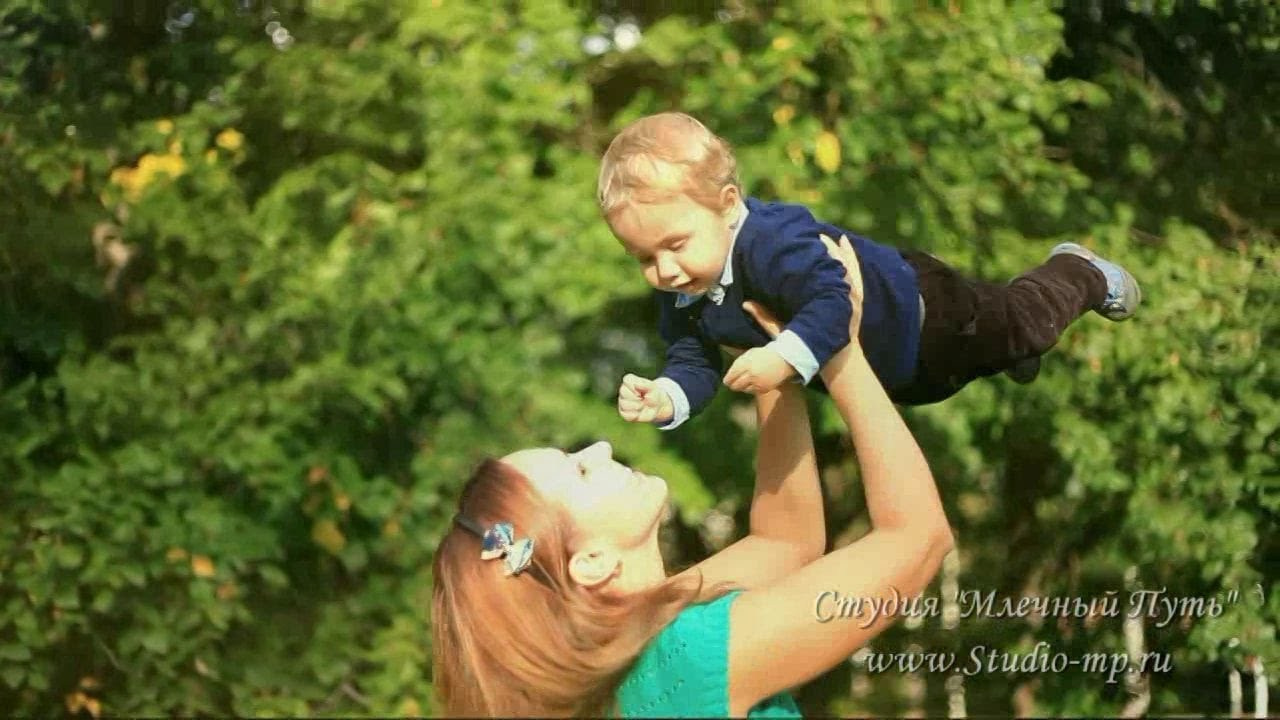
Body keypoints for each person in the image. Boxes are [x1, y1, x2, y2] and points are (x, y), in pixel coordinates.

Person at [431, 237, 955, 717]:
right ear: (591, 563)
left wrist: (771, 366)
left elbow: (785, 544)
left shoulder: (638, 647)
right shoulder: (689, 657)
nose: (601, 446)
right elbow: (917, 539)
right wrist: (838, 346)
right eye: (580, 469)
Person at [602, 112, 1142, 429]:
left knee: (1025, 322)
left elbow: (834, 303)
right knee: (993, 352)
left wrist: (782, 357)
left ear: (725, 203)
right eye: (644, 258)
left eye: (674, 245)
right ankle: (1012, 351)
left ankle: (1079, 271)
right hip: (903, 372)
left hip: (931, 315)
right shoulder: (685, 289)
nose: (664, 271)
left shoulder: (773, 242)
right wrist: (670, 395)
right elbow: (692, 357)